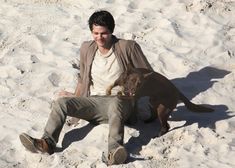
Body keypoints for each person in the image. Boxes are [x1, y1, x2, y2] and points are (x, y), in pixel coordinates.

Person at [19, 10, 152, 165]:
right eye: (95, 33)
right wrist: (75, 96)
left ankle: (114, 152)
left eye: (104, 33)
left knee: (116, 101)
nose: (99, 38)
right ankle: (47, 143)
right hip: (94, 102)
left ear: (111, 31)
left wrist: (143, 98)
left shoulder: (127, 47)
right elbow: (83, 78)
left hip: (121, 104)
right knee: (62, 102)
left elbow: (148, 74)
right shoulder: (87, 48)